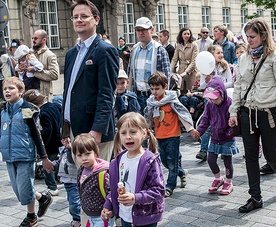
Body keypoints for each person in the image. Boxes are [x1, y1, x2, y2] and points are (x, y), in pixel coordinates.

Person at [228, 18, 276, 213]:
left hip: (269, 113)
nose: (249, 40)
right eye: (247, 36)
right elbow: (239, 86)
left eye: (253, 36)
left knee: (271, 155)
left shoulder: (273, 57)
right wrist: (234, 112)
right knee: (250, 157)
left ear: (263, 36)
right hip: (248, 113)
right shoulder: (244, 58)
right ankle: (255, 197)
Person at [62, 0, 119, 162]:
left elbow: (107, 94)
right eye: (75, 17)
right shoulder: (71, 54)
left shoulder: (104, 50)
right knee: (83, 182)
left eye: (84, 16)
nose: (79, 20)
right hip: (75, 128)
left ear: (96, 19)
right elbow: (69, 91)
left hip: (94, 131)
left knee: (99, 182)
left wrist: (98, 130)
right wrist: (65, 129)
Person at [0, 77, 54, 227]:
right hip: (9, 156)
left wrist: (44, 157)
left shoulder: (27, 109)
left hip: (25, 155)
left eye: (11, 88)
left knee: (24, 188)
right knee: (19, 190)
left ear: (21, 91)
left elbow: (37, 134)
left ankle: (31, 217)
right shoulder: (3, 111)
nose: (7, 91)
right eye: (5, 89)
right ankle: (42, 198)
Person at [101, 112, 165, 226]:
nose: (128, 136)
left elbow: (159, 190)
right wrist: (108, 206)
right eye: (123, 133)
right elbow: (115, 188)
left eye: (133, 132)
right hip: (125, 216)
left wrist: (135, 198)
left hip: (146, 217)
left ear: (144, 133)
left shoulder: (150, 160)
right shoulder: (117, 161)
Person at [144, 71, 199, 197]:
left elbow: (183, 114)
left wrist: (190, 129)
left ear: (165, 86)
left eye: (157, 89)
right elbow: (148, 118)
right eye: (152, 89)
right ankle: (181, 172)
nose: (154, 92)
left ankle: (169, 186)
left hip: (173, 135)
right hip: (159, 135)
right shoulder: (151, 102)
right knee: (164, 161)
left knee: (172, 161)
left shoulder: (172, 100)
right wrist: (146, 130)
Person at [192, 77, 239, 195]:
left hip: (227, 137)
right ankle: (218, 178)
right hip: (215, 138)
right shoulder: (210, 105)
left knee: (227, 161)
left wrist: (230, 131)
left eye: (215, 98)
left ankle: (229, 181)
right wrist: (199, 132)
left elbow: (234, 122)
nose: (213, 101)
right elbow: (205, 120)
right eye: (211, 98)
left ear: (222, 93)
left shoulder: (229, 103)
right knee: (211, 159)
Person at [195, 44, 233, 161]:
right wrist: (207, 82)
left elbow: (230, 82)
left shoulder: (225, 66)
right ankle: (203, 149)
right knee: (208, 124)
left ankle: (225, 147)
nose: (221, 55)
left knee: (224, 124)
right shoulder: (205, 68)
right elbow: (202, 85)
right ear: (211, 55)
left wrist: (218, 86)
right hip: (210, 101)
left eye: (222, 52)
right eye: (218, 53)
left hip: (223, 100)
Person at [128, 16, 170, 114]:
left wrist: (163, 99)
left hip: (154, 97)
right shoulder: (134, 49)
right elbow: (130, 73)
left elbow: (167, 76)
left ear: (152, 30)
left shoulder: (159, 50)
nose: (141, 33)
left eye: (144, 30)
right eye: (138, 30)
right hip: (137, 96)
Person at [23, 89, 62, 196]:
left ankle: (52, 187)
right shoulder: (54, 106)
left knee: (47, 166)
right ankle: (61, 176)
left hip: (50, 144)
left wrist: (42, 144)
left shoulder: (43, 113)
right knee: (56, 161)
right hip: (59, 139)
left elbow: (47, 130)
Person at [72, 133, 114, 227]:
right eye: (80, 155)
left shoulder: (102, 173)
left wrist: (108, 209)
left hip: (102, 216)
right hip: (90, 215)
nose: (84, 158)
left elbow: (111, 193)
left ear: (95, 152)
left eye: (87, 154)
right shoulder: (81, 170)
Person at [54, 142, 81, 227]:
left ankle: (78, 219)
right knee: (71, 201)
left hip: (73, 180)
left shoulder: (74, 149)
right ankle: (76, 218)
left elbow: (71, 159)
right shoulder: (63, 149)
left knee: (74, 203)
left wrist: (70, 149)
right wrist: (53, 165)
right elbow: (61, 162)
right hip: (66, 180)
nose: (65, 141)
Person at [32, 29, 59, 101]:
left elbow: (54, 74)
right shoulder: (30, 53)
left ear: (44, 40)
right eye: (33, 38)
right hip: (29, 92)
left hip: (43, 94)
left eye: (36, 38)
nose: (33, 40)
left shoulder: (50, 55)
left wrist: (34, 71)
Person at [171, 27, 198, 96]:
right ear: (181, 35)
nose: (187, 35)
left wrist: (186, 72)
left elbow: (194, 61)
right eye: (185, 34)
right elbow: (174, 59)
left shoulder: (194, 45)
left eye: (188, 34)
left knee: (191, 92)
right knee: (181, 92)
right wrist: (170, 71)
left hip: (191, 72)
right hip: (181, 71)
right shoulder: (178, 45)